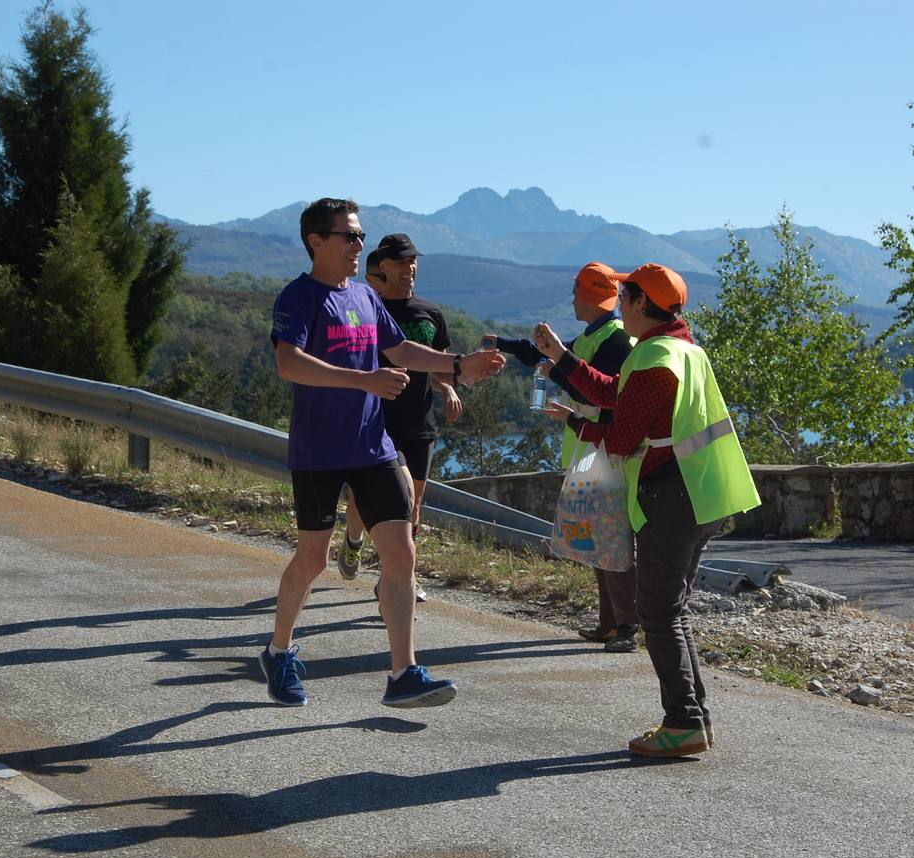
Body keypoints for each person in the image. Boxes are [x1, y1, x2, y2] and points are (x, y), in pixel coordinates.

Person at [264, 198, 504, 709]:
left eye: (359, 236)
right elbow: (290, 364)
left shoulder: (364, 299)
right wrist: (364, 380)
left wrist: (460, 365)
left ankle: (403, 673)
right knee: (314, 559)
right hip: (318, 452)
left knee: (401, 552)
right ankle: (279, 649)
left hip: (374, 447)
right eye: (349, 237)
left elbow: (403, 352)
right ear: (317, 241)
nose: (358, 246)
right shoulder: (299, 296)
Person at [533, 263, 760, 757]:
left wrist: (578, 423)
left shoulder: (656, 359)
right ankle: (693, 718)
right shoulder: (680, 348)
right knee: (669, 608)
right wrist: (563, 359)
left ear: (639, 304)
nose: (617, 301)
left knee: (656, 610)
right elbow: (613, 393)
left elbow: (619, 437)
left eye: (623, 294)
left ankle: (682, 721)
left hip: (674, 496)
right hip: (703, 492)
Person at [486, 262, 640, 652]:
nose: (571, 298)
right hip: (591, 449)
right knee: (597, 539)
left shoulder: (616, 340)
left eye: (575, 292)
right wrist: (503, 343)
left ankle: (626, 625)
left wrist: (553, 373)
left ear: (588, 296)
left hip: (606, 449)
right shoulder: (596, 335)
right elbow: (548, 355)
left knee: (611, 539)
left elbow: (597, 394)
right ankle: (610, 623)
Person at [337, 235, 462, 604]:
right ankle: (354, 540)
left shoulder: (430, 312)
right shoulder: (365, 308)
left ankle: (396, 578)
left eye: (413, 261)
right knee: (365, 500)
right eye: (402, 262)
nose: (410, 268)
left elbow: (436, 364)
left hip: (417, 423)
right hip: (375, 422)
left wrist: (447, 388)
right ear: (382, 266)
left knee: (412, 505)